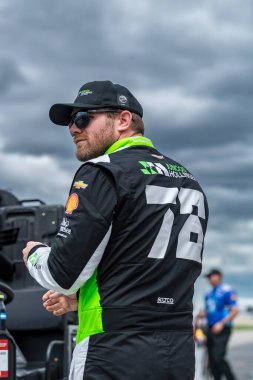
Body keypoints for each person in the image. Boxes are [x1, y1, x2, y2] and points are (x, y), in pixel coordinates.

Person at [23, 80, 209, 380]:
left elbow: (61, 274)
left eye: (83, 118)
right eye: (71, 121)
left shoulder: (103, 170)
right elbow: (140, 269)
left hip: (112, 349)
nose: (73, 128)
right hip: (177, 351)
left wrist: (35, 254)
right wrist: (80, 300)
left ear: (123, 120)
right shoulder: (189, 179)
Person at [203, 268, 239, 380]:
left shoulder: (227, 290)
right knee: (212, 359)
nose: (210, 279)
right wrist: (201, 314)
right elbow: (208, 310)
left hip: (222, 329)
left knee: (218, 357)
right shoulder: (208, 293)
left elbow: (235, 310)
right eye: (208, 277)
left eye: (211, 276)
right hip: (210, 328)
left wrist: (222, 323)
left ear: (219, 276)